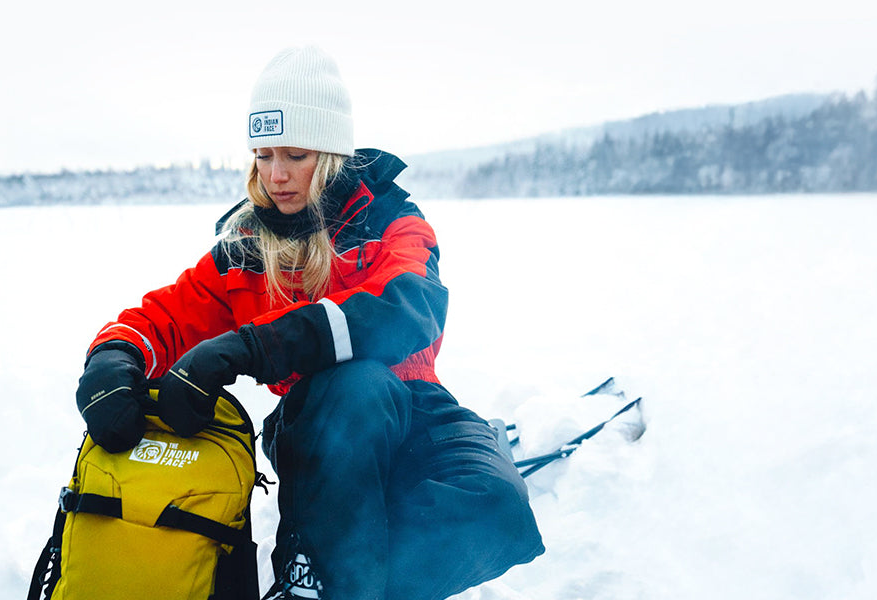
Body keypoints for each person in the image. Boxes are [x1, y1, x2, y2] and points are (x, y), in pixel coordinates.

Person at [74, 46, 544, 600]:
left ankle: (340, 580)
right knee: (355, 388)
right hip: (319, 429)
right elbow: (160, 319)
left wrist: (252, 347)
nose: (276, 175)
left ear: (329, 153)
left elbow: (409, 305)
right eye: (263, 154)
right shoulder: (245, 248)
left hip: (418, 407)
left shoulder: (393, 221)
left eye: (295, 154)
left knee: (498, 511)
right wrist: (112, 360)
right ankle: (319, 575)